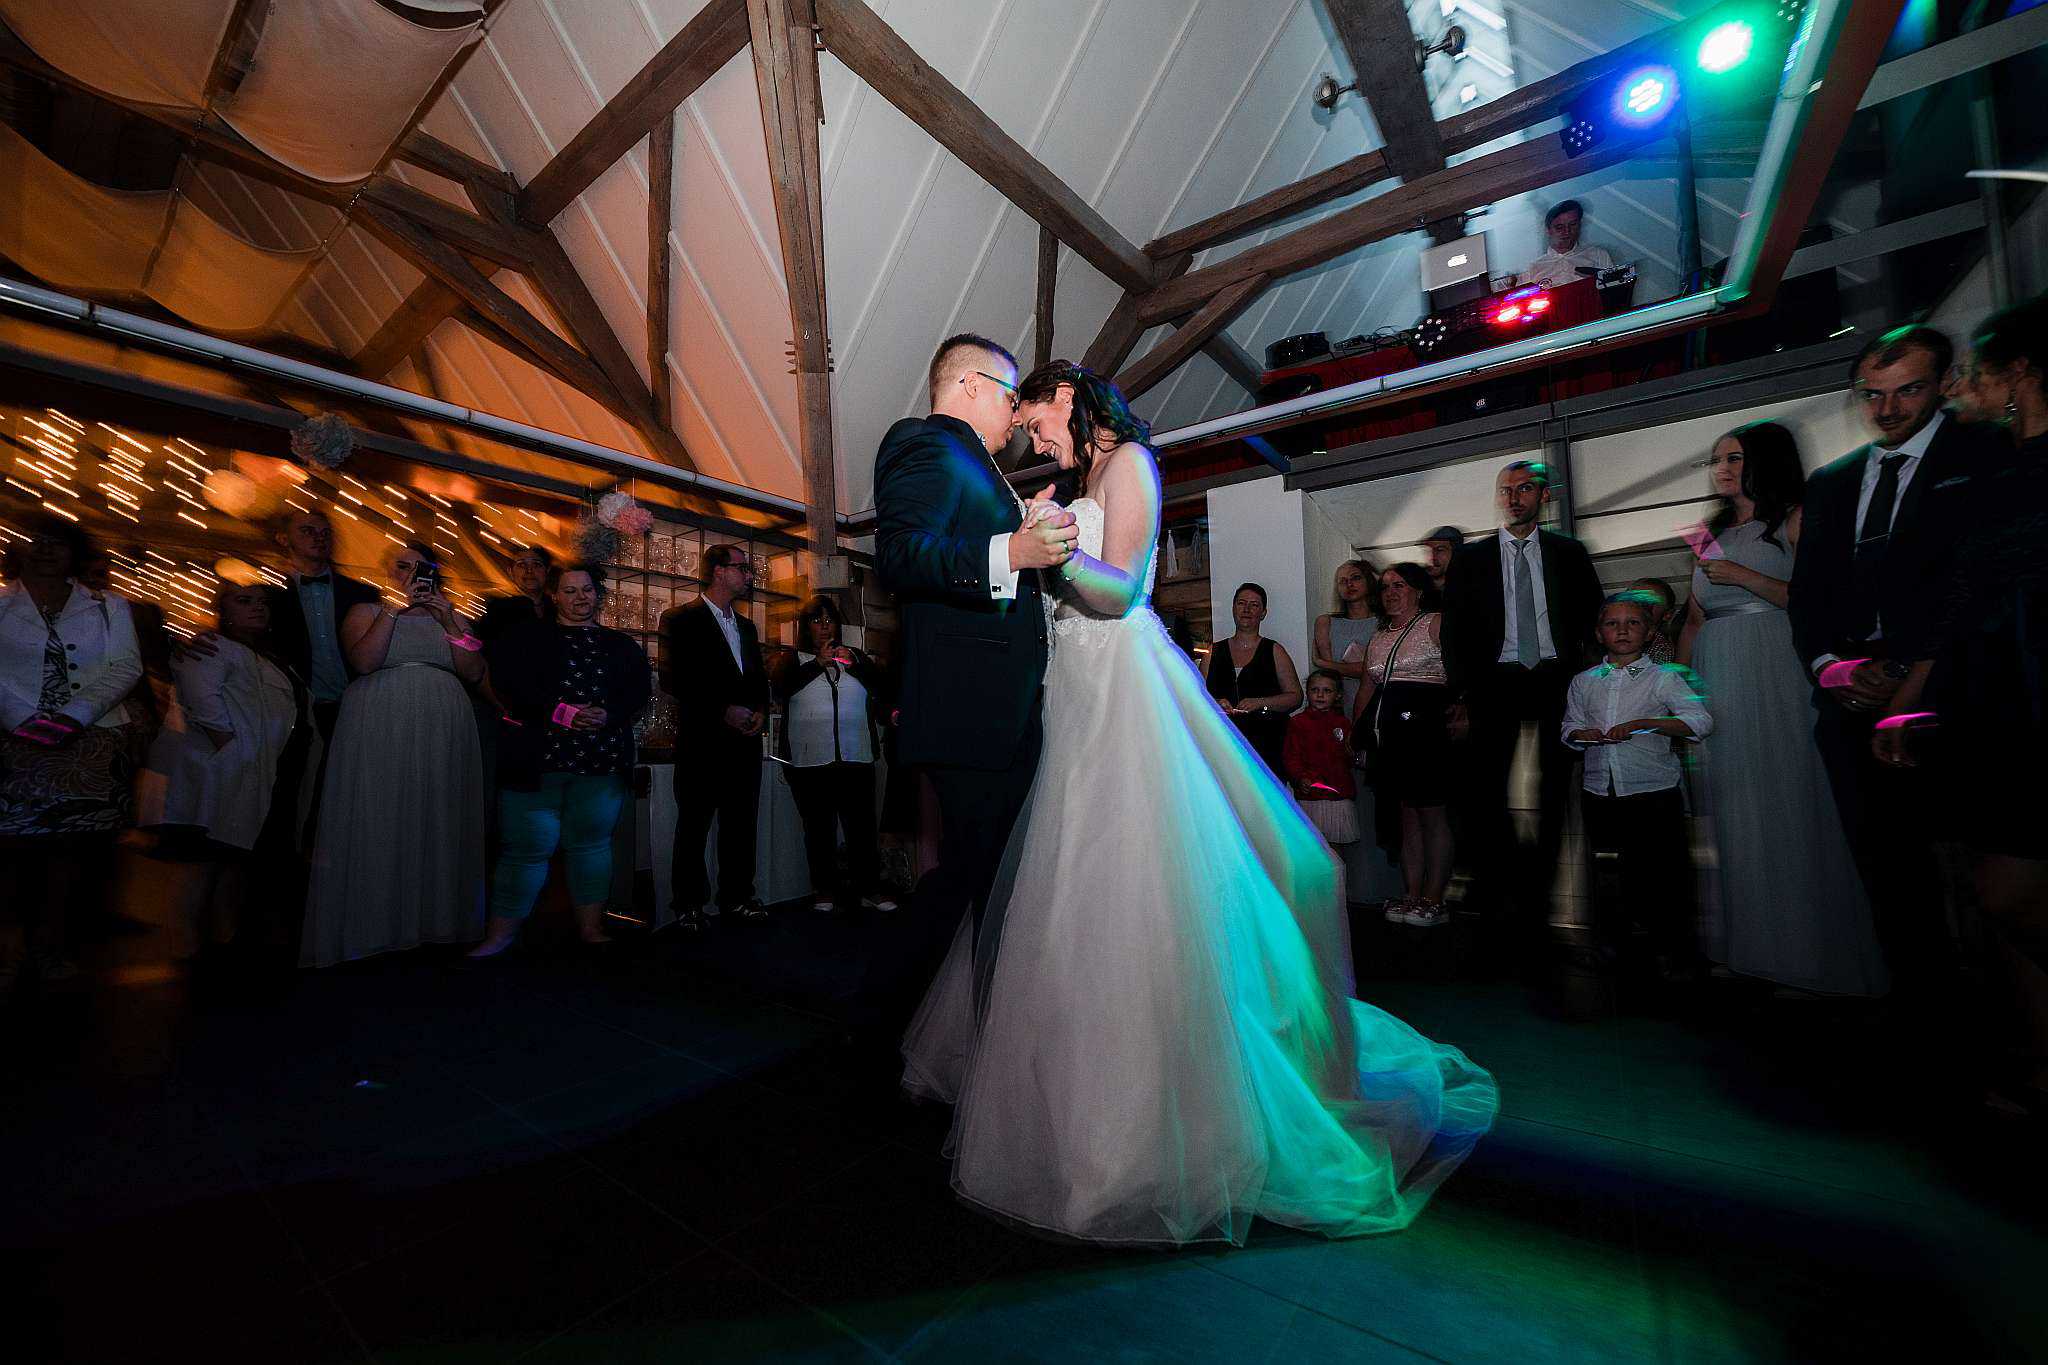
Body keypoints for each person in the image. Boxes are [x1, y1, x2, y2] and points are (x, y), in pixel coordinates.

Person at [901, 360, 1496, 1246]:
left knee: (1136, 876)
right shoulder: (1069, 482)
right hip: (1066, 690)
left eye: (1035, 422)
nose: (1032, 439)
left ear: (1066, 398)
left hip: (1119, 686)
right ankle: (1070, 1088)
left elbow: (1124, 590)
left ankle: (1163, 1105)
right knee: (1061, 892)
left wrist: (1050, 561)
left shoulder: (1132, 464)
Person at [1789, 325, 2001, 1000]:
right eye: (1873, 394)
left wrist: (1917, 674)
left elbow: (1982, 586)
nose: (1887, 409)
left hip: (1959, 696)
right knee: (1887, 872)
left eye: (1907, 389)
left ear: (1943, 382)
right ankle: (1926, 1019)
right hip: (1851, 703)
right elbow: (1809, 595)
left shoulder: (1989, 454)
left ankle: (2008, 1028)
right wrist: (1833, 668)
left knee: (1986, 874)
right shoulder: (1832, 482)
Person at [1878, 296, 2048, 1113]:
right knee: (1996, 886)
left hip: (2032, 688)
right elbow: (1962, 599)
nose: (1961, 388)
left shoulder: (2019, 466)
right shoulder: (1999, 465)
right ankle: (2038, 1058)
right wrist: (1915, 691)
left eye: (1974, 372)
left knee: (2011, 890)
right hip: (1993, 695)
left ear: (2021, 375)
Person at [1675, 421, 1887, 996]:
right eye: (1715, 459)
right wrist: (1682, 690)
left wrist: (1745, 577)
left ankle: (1806, 952)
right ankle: (1749, 945)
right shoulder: (1708, 535)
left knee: (1788, 801)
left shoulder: (1793, 519)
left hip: (1774, 671)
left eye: (1735, 457)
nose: (1722, 469)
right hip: (1719, 673)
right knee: (1732, 808)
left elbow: (1820, 602)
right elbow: (1693, 620)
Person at [1441, 459, 1604, 957]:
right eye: (1506, 490)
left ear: (1543, 496)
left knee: (1556, 792)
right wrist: (1463, 694)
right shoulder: (1472, 558)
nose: (1514, 498)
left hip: (1556, 678)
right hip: (1497, 681)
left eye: (1525, 488)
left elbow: (1590, 618)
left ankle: (1542, 893)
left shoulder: (1568, 553)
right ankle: (1500, 892)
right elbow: (1455, 631)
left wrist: (1590, 684)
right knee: (1487, 792)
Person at [300, 542, 486, 966]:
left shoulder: (456, 616)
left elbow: (473, 671)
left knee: (436, 816)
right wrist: (394, 608)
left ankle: (433, 923)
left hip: (442, 725)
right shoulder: (366, 612)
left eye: (420, 568)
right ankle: (375, 924)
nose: (412, 575)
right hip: (383, 725)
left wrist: (449, 622)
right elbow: (365, 661)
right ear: (387, 572)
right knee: (382, 814)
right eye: (402, 567)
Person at [470, 563, 650, 958]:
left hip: (600, 764)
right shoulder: (525, 637)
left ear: (596, 594)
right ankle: (499, 936)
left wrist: (610, 713)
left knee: (592, 847)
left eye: (586, 590)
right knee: (524, 849)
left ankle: (591, 929)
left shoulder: (620, 645)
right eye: (570, 591)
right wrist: (560, 711)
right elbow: (507, 684)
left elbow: (638, 690)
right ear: (554, 595)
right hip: (538, 762)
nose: (580, 597)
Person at [0, 514, 144, 995]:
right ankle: (9, 948)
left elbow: (125, 666)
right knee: (12, 855)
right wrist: (23, 718)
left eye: (56, 542)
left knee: (70, 855)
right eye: (35, 540)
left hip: (88, 743)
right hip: (13, 745)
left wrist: (72, 717)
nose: (44, 549)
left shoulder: (109, 606)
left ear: (74, 553)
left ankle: (50, 949)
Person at [139, 581, 302, 965]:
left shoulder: (269, 653)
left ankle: (219, 940)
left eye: (262, 602)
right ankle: (191, 944)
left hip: (253, 767)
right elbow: (204, 703)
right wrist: (234, 747)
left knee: (230, 858)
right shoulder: (209, 649)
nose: (257, 608)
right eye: (244, 601)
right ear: (223, 609)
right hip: (222, 768)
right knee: (206, 858)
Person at [1563, 594, 1712, 979]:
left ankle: (1671, 950)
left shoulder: (1663, 677)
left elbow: (1699, 720)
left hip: (1652, 791)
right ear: (1600, 633)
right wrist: (1582, 733)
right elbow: (1569, 728)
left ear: (1648, 633)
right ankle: (1615, 946)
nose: (1623, 630)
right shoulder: (1583, 681)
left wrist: (1648, 723)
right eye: (1613, 624)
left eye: (1632, 623)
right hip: (1601, 790)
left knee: (1662, 872)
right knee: (1608, 872)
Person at [658, 544, 771, 929]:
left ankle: (737, 897)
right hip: (702, 743)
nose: (749, 575)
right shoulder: (680, 619)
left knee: (741, 825)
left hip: (744, 744)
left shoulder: (748, 626)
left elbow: (757, 679)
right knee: (693, 825)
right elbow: (674, 678)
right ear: (719, 572)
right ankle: (687, 904)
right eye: (742, 568)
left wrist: (759, 711)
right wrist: (722, 709)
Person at [772, 595, 896, 916]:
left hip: (856, 756)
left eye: (830, 620)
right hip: (811, 761)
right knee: (819, 829)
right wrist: (817, 664)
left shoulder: (854, 657)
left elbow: (881, 689)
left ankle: (869, 888)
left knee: (862, 828)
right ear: (805, 627)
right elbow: (780, 691)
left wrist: (856, 666)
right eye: (817, 620)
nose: (825, 626)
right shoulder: (794, 659)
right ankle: (823, 889)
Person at [1351, 564, 1458, 928]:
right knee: (1407, 817)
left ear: (1418, 590)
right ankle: (1412, 893)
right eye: (1384, 587)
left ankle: (1434, 897)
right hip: (1390, 737)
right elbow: (1367, 687)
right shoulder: (1379, 637)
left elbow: (1463, 672)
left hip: (1426, 734)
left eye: (1400, 585)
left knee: (1432, 814)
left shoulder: (1436, 623)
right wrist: (1357, 733)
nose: (1391, 592)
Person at [1312, 559, 1397, 900]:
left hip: (1376, 715)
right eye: (1341, 579)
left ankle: (1385, 887)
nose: (1347, 585)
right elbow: (1330, 673)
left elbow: (1375, 672)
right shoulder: (1326, 622)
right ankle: (1351, 891)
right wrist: (1354, 669)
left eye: (1355, 577)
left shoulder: (1385, 623)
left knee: (1378, 803)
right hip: (1336, 715)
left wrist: (1340, 666)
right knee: (1345, 803)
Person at [259, 509, 378, 743]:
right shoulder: (270, 594)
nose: (319, 537)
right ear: (284, 538)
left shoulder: (361, 594)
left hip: (355, 706)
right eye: (307, 531)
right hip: (293, 709)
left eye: (325, 532)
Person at [1205, 581, 1303, 773]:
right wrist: (1215, 703)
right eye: (1242, 603)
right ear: (1233, 608)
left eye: (1254, 604)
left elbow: (1295, 697)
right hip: (1224, 748)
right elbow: (1196, 697)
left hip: (1266, 750)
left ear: (1263, 613)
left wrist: (1261, 703)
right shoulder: (1213, 652)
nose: (1247, 609)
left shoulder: (1274, 650)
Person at [1283, 670, 1358, 848]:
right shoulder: (1298, 723)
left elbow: (1348, 757)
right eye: (1315, 690)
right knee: (1313, 848)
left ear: (1338, 695)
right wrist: (1300, 777)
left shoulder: (1343, 723)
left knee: (1337, 848)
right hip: (1311, 795)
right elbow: (1291, 756)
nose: (1320, 695)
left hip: (1338, 794)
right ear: (1307, 692)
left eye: (1327, 691)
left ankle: (1339, 877)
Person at [1519, 200, 1616, 290]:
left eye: (1572, 224)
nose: (1567, 231)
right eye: (1559, 227)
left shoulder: (1598, 255)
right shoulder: (1532, 268)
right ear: (1548, 230)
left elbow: (1613, 289)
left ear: (1580, 225)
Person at [474, 544, 555, 644]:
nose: (529, 571)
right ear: (511, 572)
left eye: (536, 565)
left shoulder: (558, 607)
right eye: (521, 565)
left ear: (547, 571)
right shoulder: (499, 611)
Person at [1626, 577, 1679, 665]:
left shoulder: (1661, 649)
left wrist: (1621, 666)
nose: (1637, 608)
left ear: (1667, 614)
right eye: (1632, 602)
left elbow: (1645, 674)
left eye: (1646, 604)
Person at [1420, 525, 1465, 592]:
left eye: (1440, 550)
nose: (1432, 557)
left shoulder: (1470, 586)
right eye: (1428, 550)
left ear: (1455, 553)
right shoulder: (1419, 585)